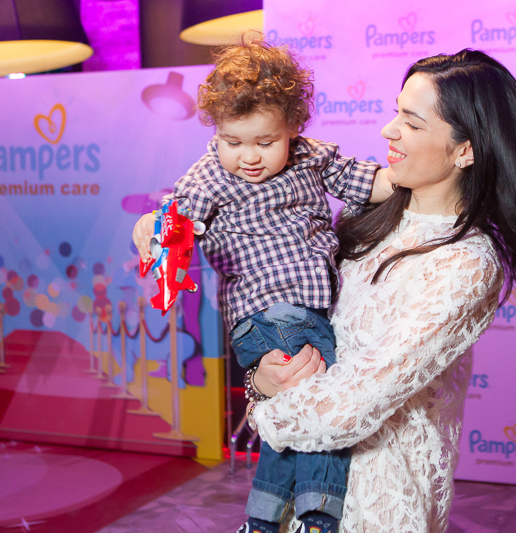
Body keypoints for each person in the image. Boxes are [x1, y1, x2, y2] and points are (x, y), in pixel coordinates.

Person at [247, 49, 516, 532]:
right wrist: (262, 380)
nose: (389, 130)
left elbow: (350, 408)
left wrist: (261, 410)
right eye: (396, 112)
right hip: (294, 485)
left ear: (466, 150)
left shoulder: (466, 263)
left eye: (413, 123)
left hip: (373, 501)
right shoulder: (363, 218)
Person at [132, 39, 392, 533]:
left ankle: (262, 520)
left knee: (290, 408)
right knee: (326, 401)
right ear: (217, 130)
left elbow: (371, 183)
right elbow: (173, 218)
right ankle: (318, 514)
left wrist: (420, 180)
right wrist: (150, 226)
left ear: (293, 127)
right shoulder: (209, 176)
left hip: (306, 312)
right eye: (233, 142)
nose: (248, 157)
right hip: (269, 311)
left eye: (265, 142)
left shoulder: (312, 157)